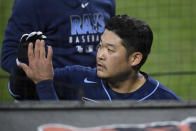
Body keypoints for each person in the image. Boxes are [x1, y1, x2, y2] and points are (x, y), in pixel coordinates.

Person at [17, 15, 181, 101]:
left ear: (135, 59)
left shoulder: (165, 102)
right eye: (100, 46)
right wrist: (22, 63)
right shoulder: (76, 77)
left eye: (110, 50)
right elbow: (20, 93)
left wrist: (44, 85)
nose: (100, 55)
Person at [1, 0, 115, 99]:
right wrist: (30, 68)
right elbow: (9, 53)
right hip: (51, 97)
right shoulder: (31, 3)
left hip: (97, 97)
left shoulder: (106, 1)